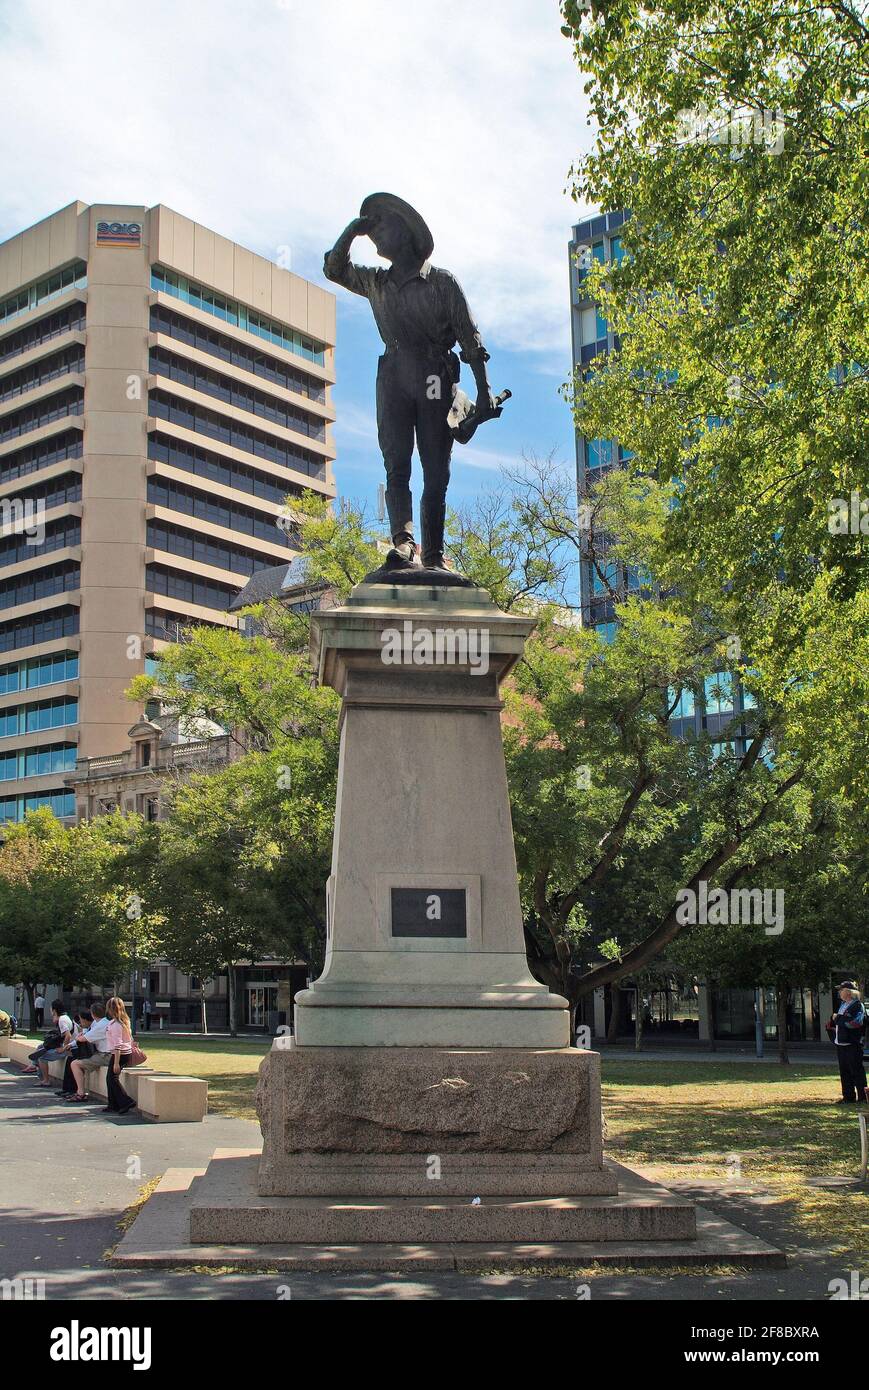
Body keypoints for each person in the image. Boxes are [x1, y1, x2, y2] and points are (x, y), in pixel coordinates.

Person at [323, 194, 496, 573]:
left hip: (435, 375)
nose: (374, 235)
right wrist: (354, 230)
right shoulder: (375, 281)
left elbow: (471, 340)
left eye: (380, 226)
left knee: (436, 470)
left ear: (405, 230)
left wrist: (483, 393)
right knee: (396, 465)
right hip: (393, 377)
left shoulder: (442, 282)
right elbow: (335, 269)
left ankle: (433, 556)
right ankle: (403, 542)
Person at [828, 982, 867, 1103]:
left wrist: (838, 1019)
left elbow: (856, 1022)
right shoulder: (843, 1004)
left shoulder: (858, 1006)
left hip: (852, 1043)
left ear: (849, 992)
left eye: (841, 990)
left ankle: (862, 1097)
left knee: (856, 1071)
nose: (839, 992)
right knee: (844, 1071)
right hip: (841, 1043)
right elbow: (840, 1021)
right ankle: (848, 1097)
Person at [66, 1002, 112, 1103]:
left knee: (75, 1064)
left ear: (92, 1014)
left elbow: (83, 1039)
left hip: (105, 1055)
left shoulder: (100, 1026)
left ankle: (81, 1093)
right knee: (81, 1061)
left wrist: (79, 1037)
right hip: (105, 1054)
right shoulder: (104, 1022)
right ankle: (81, 1091)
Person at [102, 996, 135, 1115]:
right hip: (120, 1053)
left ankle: (125, 1102)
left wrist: (116, 1063)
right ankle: (113, 1104)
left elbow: (118, 1045)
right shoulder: (121, 1022)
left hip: (120, 1054)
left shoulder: (116, 1025)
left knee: (113, 1079)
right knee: (109, 1079)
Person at [28, 1001, 73, 1086]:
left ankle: (45, 1080)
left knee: (42, 1057)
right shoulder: (64, 1017)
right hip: (67, 1046)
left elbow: (68, 1036)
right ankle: (33, 1065)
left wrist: (62, 1048)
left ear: (54, 1010)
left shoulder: (62, 1020)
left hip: (69, 1049)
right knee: (41, 1047)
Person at [55, 1011, 93, 1096]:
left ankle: (72, 1089)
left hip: (92, 1052)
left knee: (73, 1060)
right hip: (87, 1050)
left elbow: (83, 1038)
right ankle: (66, 1088)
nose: (81, 1023)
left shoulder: (94, 1028)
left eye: (82, 1021)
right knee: (69, 1058)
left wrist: (78, 1038)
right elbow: (78, 1039)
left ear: (87, 1020)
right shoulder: (87, 1028)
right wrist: (68, 1045)